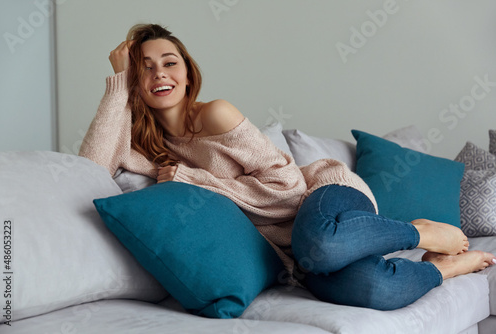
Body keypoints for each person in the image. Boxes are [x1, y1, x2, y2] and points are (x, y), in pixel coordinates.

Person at [79, 23, 496, 311]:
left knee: (323, 244)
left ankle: (418, 230)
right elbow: (90, 168)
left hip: (321, 198)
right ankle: (442, 269)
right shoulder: (146, 145)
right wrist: (117, 84)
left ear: (188, 74)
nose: (159, 73)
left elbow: (286, 185)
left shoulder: (216, 115)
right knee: (372, 287)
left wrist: (192, 178)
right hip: (296, 252)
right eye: (144, 67)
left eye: (169, 62)